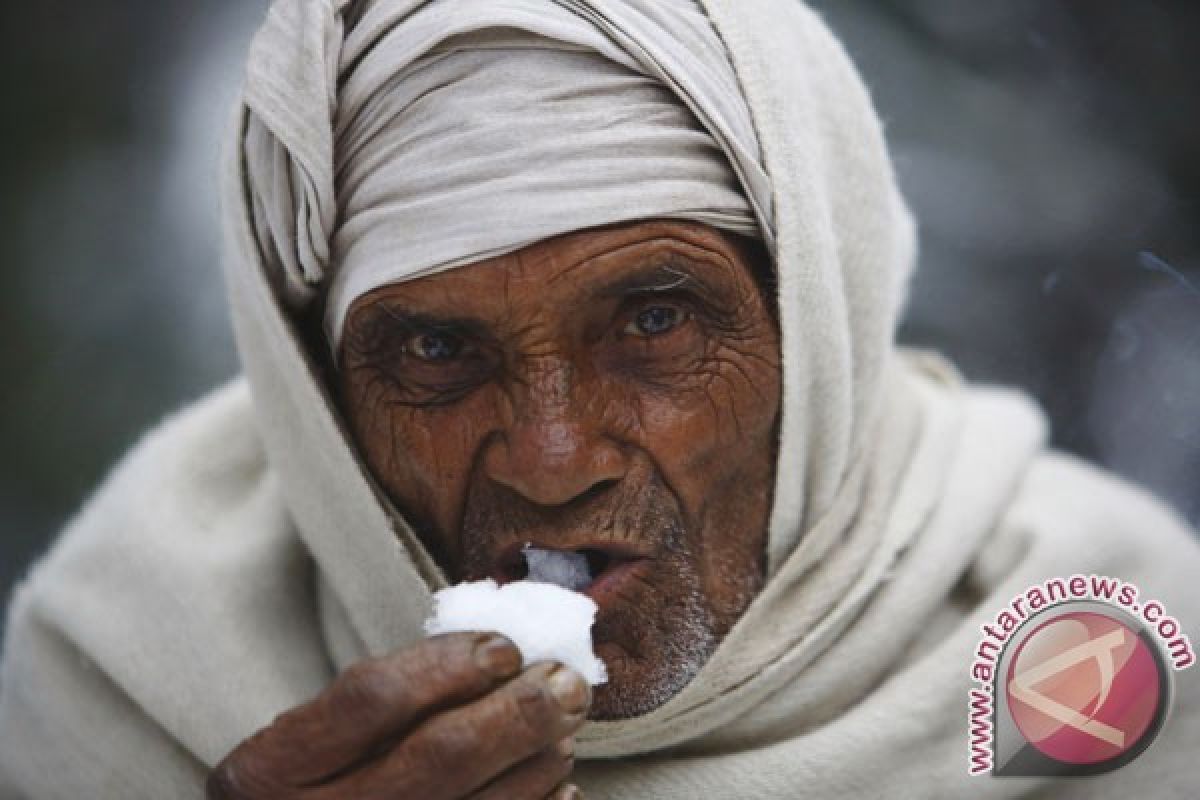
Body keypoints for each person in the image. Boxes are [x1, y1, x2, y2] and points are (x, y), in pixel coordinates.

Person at [2, 0, 1198, 797]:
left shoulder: (1096, 631)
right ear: (315, 397)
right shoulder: (131, 666)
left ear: (815, 321)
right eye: (433, 347)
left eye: (656, 320)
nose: (553, 456)